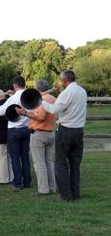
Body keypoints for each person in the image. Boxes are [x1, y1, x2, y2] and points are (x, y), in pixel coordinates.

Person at [40, 70, 87, 201]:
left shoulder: (66, 93)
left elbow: (54, 109)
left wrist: (40, 101)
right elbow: (68, 104)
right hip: (79, 131)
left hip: (66, 131)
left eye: (62, 81)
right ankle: (75, 194)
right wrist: (58, 93)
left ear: (65, 80)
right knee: (75, 165)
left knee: (61, 164)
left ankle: (65, 195)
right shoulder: (82, 91)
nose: (61, 83)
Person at [16, 80, 56, 195]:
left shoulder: (41, 99)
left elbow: (41, 117)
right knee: (49, 162)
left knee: (40, 163)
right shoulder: (53, 98)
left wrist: (25, 113)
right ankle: (52, 187)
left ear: (37, 89)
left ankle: (43, 189)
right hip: (50, 132)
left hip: (39, 133)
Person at [0, 76, 31, 190]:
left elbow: (0, 112)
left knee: (15, 157)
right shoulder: (30, 95)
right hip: (26, 129)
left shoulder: (13, 98)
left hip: (14, 130)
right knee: (25, 157)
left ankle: (18, 183)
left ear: (15, 86)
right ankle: (27, 182)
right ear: (24, 84)